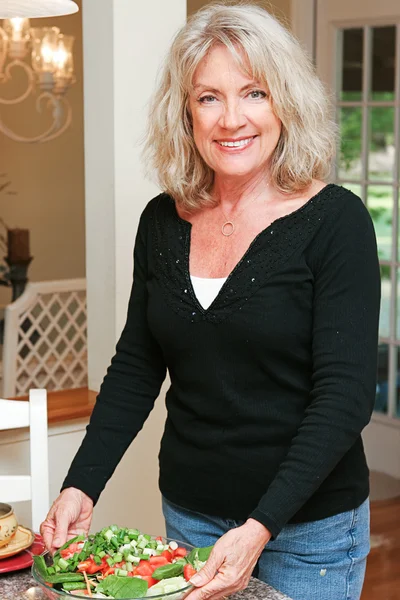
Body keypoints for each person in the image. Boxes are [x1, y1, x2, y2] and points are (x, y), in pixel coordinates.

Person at [41, 4, 381, 600]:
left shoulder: (336, 222)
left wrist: (259, 527)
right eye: (208, 98)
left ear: (285, 103)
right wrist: (81, 486)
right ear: (186, 112)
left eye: (254, 93)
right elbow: (136, 369)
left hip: (308, 534)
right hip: (191, 520)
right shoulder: (161, 222)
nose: (231, 120)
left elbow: (343, 399)